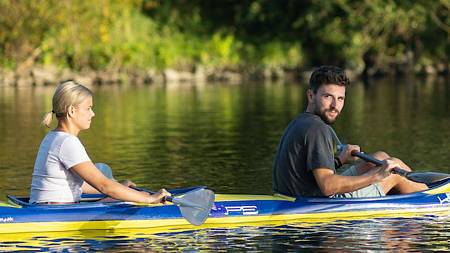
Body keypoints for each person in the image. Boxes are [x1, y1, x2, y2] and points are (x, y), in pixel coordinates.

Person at [272, 65, 428, 198]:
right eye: (328, 97)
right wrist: (376, 176)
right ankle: (433, 200)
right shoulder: (317, 129)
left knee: (380, 157)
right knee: (394, 174)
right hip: (317, 203)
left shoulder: (301, 121)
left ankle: (422, 192)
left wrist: (340, 160)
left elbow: (309, 173)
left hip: (300, 195)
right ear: (311, 95)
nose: (335, 105)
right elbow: (327, 186)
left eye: (340, 98)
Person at [29, 81, 171, 204]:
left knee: (121, 197)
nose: (93, 114)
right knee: (129, 199)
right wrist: (149, 199)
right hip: (56, 212)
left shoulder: (52, 137)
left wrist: (120, 187)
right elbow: (104, 186)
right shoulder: (68, 142)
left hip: (47, 206)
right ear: (72, 111)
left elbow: (81, 185)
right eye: (88, 108)